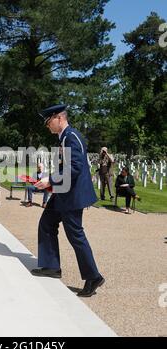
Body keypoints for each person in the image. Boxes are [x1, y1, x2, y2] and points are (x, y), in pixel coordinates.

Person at [31, 104, 105, 298]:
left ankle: (93, 276)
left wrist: (51, 180)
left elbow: (75, 168)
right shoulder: (64, 137)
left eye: (49, 122)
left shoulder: (71, 137)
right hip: (63, 192)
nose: (47, 125)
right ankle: (51, 266)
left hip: (72, 195)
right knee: (46, 223)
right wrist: (50, 180)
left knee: (76, 235)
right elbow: (66, 168)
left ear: (59, 118)